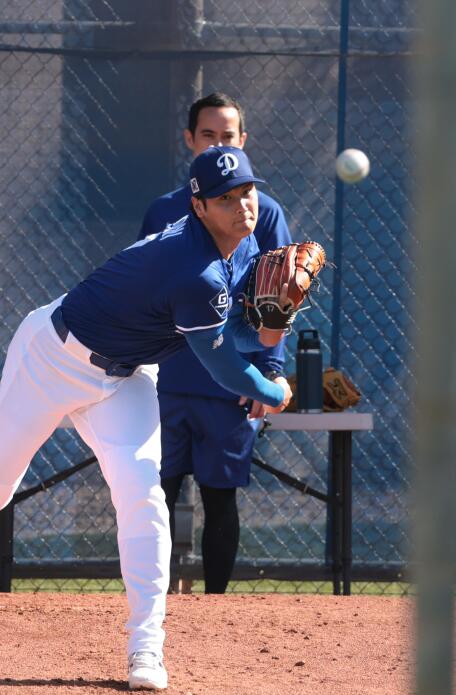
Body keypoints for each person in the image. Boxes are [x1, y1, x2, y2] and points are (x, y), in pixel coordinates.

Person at [0, 146, 291, 690]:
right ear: (199, 205)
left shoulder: (243, 243)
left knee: (142, 495)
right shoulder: (196, 271)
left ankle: (146, 647)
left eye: (247, 192)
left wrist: (265, 336)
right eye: (225, 198)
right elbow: (228, 372)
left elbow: (213, 333)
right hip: (51, 358)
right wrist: (271, 386)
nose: (241, 206)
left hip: (125, 376)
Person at [138, 92, 293, 595]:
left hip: (231, 381)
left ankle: (216, 612)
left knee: (220, 497)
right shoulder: (164, 210)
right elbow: (142, 296)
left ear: (243, 141)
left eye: (228, 136)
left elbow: (279, 301)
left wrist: (269, 370)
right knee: (155, 495)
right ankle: (151, 602)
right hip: (168, 379)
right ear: (189, 140)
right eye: (208, 135)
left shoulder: (263, 214)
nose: (218, 143)